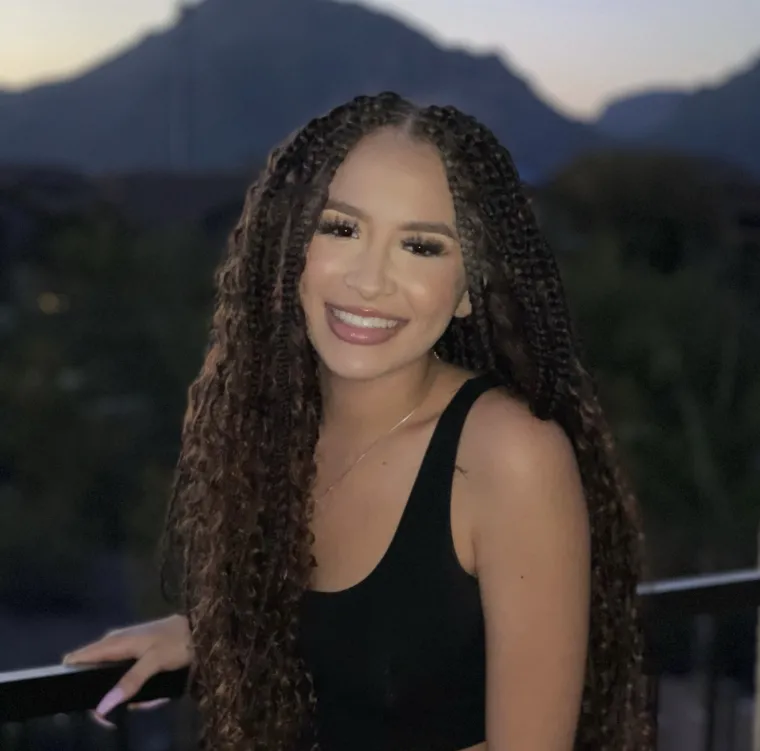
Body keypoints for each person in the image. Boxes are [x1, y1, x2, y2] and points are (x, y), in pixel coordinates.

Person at [63, 92, 651, 751]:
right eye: (340, 229)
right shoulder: (275, 429)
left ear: (466, 291)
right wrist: (215, 631)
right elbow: (357, 640)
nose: (370, 280)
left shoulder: (509, 452)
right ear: (291, 250)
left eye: (422, 246)